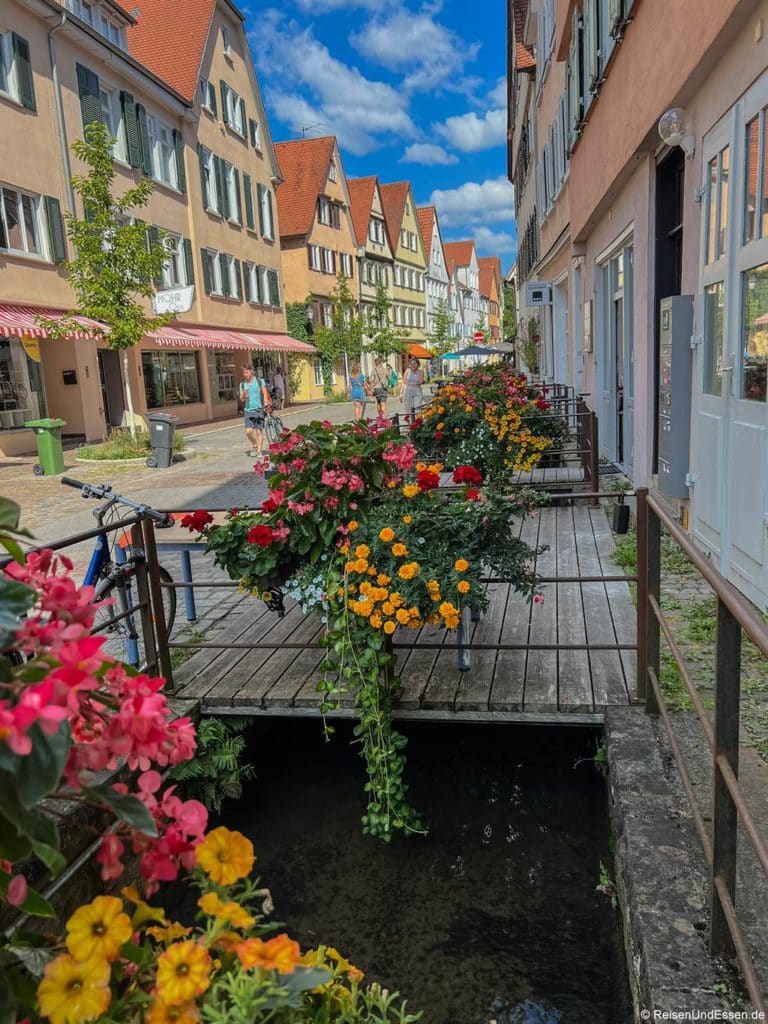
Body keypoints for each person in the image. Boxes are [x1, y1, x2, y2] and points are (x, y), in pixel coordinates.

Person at [239, 364, 271, 458]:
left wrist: (265, 402)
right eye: (243, 372)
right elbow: (242, 399)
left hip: (259, 409)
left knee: (259, 431)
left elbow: (264, 393)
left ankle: (259, 451)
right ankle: (255, 444)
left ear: (251, 371)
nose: (245, 374)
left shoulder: (259, 381)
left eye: (246, 372)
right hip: (248, 410)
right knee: (248, 432)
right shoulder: (242, 384)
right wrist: (244, 394)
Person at [400, 356, 425, 422]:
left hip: (417, 389)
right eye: (411, 364)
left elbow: (420, 381)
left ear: (418, 364)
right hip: (408, 389)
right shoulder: (407, 371)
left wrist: (417, 372)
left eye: (415, 364)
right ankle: (410, 425)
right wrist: (401, 393)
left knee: (418, 408)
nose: (413, 365)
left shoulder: (420, 371)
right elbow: (403, 382)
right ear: (409, 365)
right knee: (408, 409)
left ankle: (418, 423)